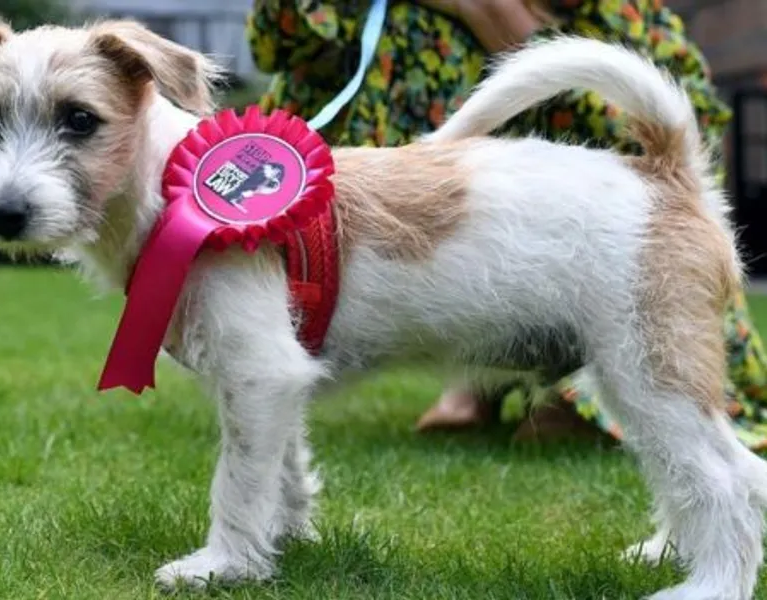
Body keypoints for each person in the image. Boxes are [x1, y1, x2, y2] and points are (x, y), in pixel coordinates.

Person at [246, 0, 767, 450]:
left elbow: (695, 122)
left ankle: (558, 391)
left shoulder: (619, 16)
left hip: (613, 239)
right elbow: (282, 36)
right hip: (412, 248)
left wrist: (519, 36)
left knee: (665, 392)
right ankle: (478, 377)